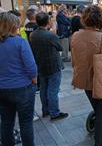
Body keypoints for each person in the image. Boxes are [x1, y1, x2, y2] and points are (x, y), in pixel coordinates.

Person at [71, 5, 102, 146]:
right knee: (101, 112)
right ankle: (99, 143)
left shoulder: (75, 36)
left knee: (101, 110)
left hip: (85, 80)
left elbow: (74, 60)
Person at [0, 12, 38, 146]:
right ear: (12, 26)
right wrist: (34, 79)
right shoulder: (20, 42)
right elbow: (31, 66)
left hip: (2, 89)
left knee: (6, 122)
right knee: (26, 123)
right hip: (22, 88)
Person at [30, 12, 69, 121]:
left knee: (43, 88)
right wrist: (53, 30)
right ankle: (54, 113)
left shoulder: (33, 35)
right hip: (53, 65)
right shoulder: (50, 34)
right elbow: (60, 47)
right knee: (53, 90)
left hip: (40, 65)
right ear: (47, 21)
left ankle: (46, 110)